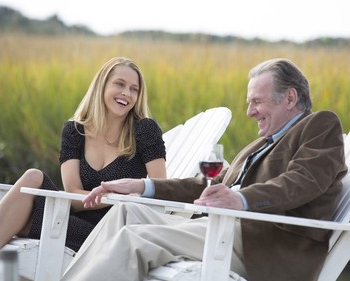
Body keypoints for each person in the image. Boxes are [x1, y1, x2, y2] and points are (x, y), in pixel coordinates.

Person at [60, 58, 347, 281]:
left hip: (262, 244)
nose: (249, 112)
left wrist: (241, 199)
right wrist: (142, 187)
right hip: (218, 227)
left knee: (135, 237)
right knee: (126, 210)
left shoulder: (319, 126)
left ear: (290, 98)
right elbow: (206, 185)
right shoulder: (260, 144)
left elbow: (302, 182)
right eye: (249, 103)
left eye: (256, 101)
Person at [0, 57, 167, 279]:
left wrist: (118, 199)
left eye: (134, 89)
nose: (127, 93)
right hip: (67, 219)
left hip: (110, 231)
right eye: (120, 84)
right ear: (102, 85)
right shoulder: (75, 131)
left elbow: (159, 190)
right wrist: (107, 194)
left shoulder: (144, 130)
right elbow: (71, 193)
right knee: (32, 178)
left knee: (14, 212)